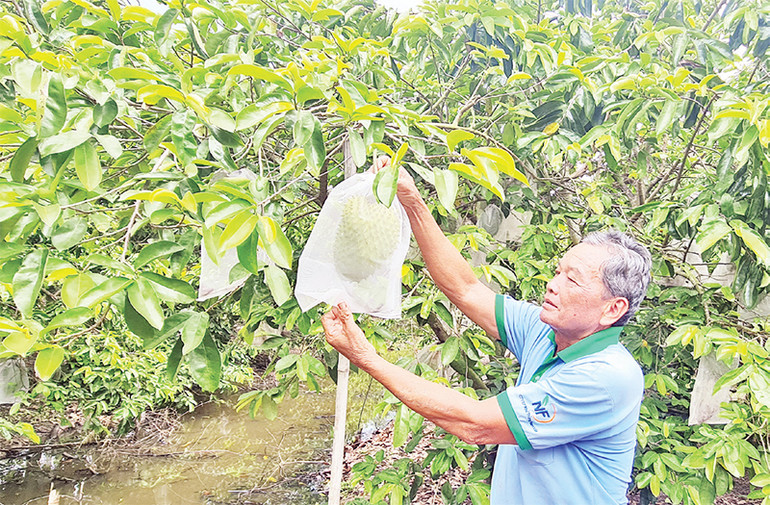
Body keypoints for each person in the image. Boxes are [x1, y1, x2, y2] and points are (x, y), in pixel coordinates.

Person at [321, 157, 652, 505]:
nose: (552, 285)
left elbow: (474, 423)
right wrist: (413, 201)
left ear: (612, 309)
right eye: (557, 272)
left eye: (572, 280)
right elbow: (466, 289)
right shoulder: (547, 331)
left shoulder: (605, 378)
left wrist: (366, 358)